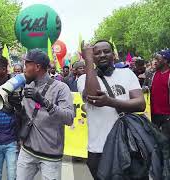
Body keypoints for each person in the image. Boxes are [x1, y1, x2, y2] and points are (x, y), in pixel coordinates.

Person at [78, 40, 146, 180]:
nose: (102, 55)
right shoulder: (84, 78)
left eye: (106, 51)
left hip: (128, 147)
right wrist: (88, 61)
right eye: (97, 53)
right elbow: (93, 96)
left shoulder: (127, 74)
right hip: (99, 150)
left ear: (113, 54)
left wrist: (110, 101)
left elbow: (140, 104)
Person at [16, 49, 75, 180]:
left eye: (26, 65)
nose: (24, 69)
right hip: (27, 151)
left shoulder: (61, 88)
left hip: (50, 155)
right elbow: (23, 114)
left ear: (37, 67)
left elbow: (69, 118)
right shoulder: (25, 85)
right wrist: (14, 105)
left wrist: (44, 102)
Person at [150, 50, 170, 138]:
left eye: (158, 59)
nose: (155, 61)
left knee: (165, 141)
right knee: (155, 140)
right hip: (154, 114)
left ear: (165, 60)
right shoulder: (153, 74)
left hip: (167, 116)